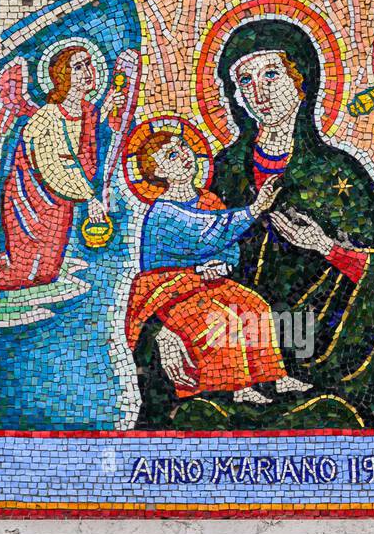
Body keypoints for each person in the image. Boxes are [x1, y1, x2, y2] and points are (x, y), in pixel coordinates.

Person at [208, 19, 374, 429]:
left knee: (327, 417)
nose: (259, 91)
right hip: (234, 343)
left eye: (271, 73)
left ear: (301, 80)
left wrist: (326, 247)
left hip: (320, 345)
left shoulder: (340, 171)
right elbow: (174, 261)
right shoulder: (221, 170)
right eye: (245, 80)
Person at [125, 126, 312, 413]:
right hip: (173, 291)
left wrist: (222, 265)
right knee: (223, 320)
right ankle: (237, 387)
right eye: (172, 155)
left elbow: (227, 244)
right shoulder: (163, 212)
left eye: (184, 147)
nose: (184, 155)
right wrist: (255, 208)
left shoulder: (208, 201)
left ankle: (275, 376)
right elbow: (208, 231)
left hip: (208, 282)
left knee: (254, 304)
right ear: (159, 172)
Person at [0, 44, 121, 290]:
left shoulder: (87, 110)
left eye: (88, 64)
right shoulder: (47, 116)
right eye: (78, 67)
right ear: (63, 75)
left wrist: (105, 109)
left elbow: (85, 136)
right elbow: (58, 164)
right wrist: (90, 198)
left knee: (47, 274)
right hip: (31, 202)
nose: (88, 71)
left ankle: (2, 263)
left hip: (60, 204)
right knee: (26, 273)